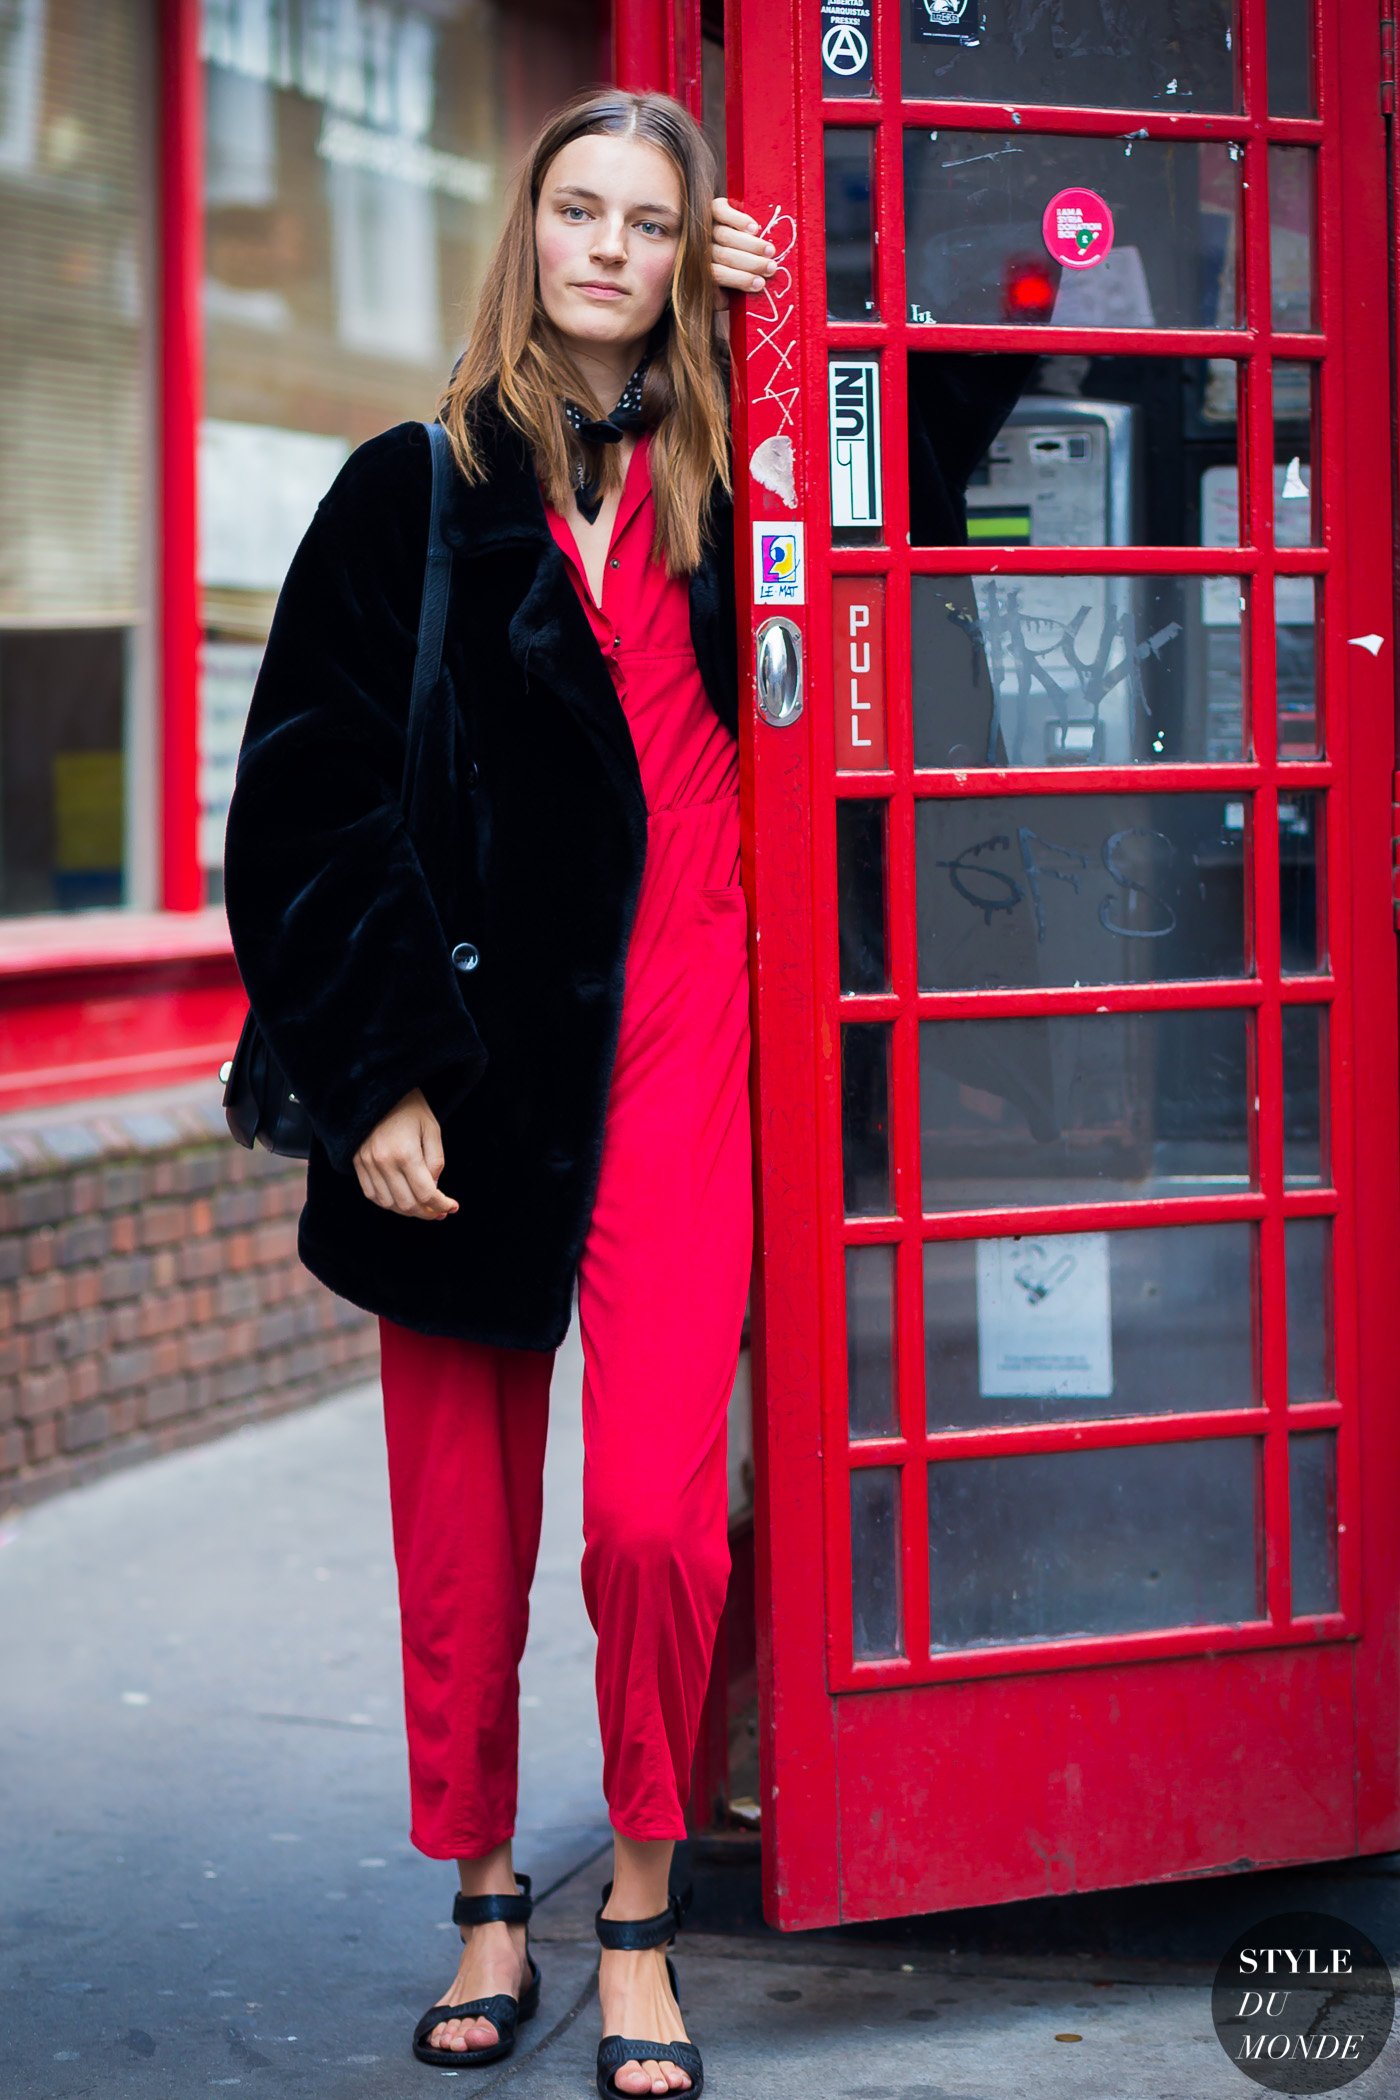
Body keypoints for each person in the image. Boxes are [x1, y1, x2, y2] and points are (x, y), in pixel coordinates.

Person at [222, 87, 775, 2100]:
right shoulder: (411, 483)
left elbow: (935, 517)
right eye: (580, 209)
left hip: (681, 1039)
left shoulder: (744, 482)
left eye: (652, 220)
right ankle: (481, 1890)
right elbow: (304, 794)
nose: (611, 247)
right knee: (460, 1528)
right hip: (463, 1063)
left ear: (683, 253)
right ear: (527, 233)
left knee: (649, 1519)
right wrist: (371, 1071)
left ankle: (635, 1901)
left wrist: (778, 325)